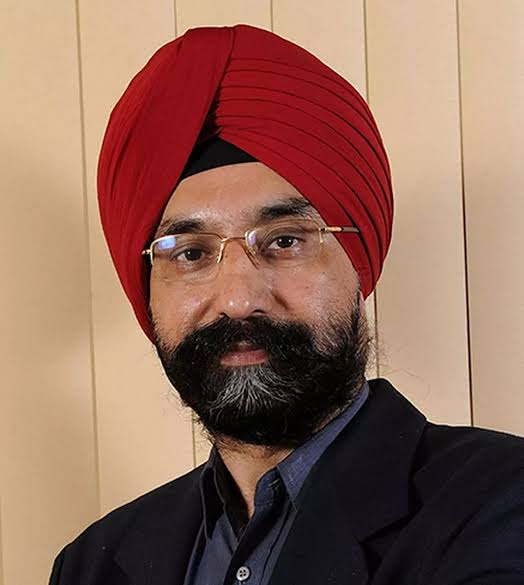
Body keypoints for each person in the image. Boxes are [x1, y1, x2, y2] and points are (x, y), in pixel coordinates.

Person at [49, 24, 524, 585]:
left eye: (284, 241)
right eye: (191, 253)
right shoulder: (93, 564)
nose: (238, 299)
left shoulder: (499, 507)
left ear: (359, 261)